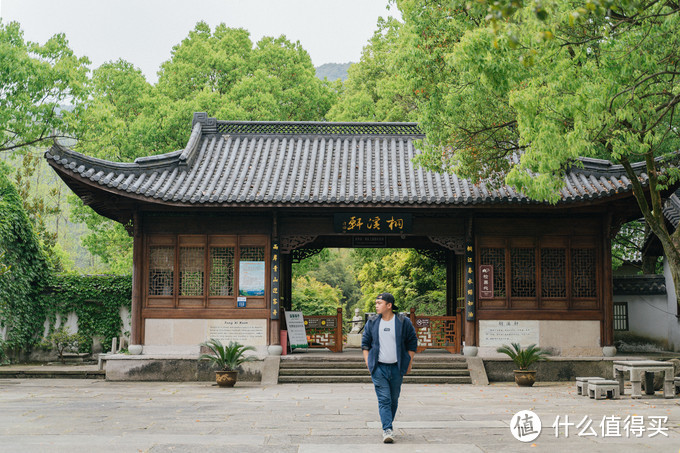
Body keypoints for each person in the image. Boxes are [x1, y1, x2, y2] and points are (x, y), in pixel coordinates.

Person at [361, 292, 418, 443]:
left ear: (389, 305)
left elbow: (412, 342)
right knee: (384, 399)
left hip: (397, 367)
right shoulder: (372, 322)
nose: (376, 306)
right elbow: (365, 343)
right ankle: (387, 429)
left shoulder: (403, 322)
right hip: (378, 367)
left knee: (393, 399)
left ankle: (388, 424)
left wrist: (409, 362)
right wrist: (368, 362)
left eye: (379, 303)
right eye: (376, 303)